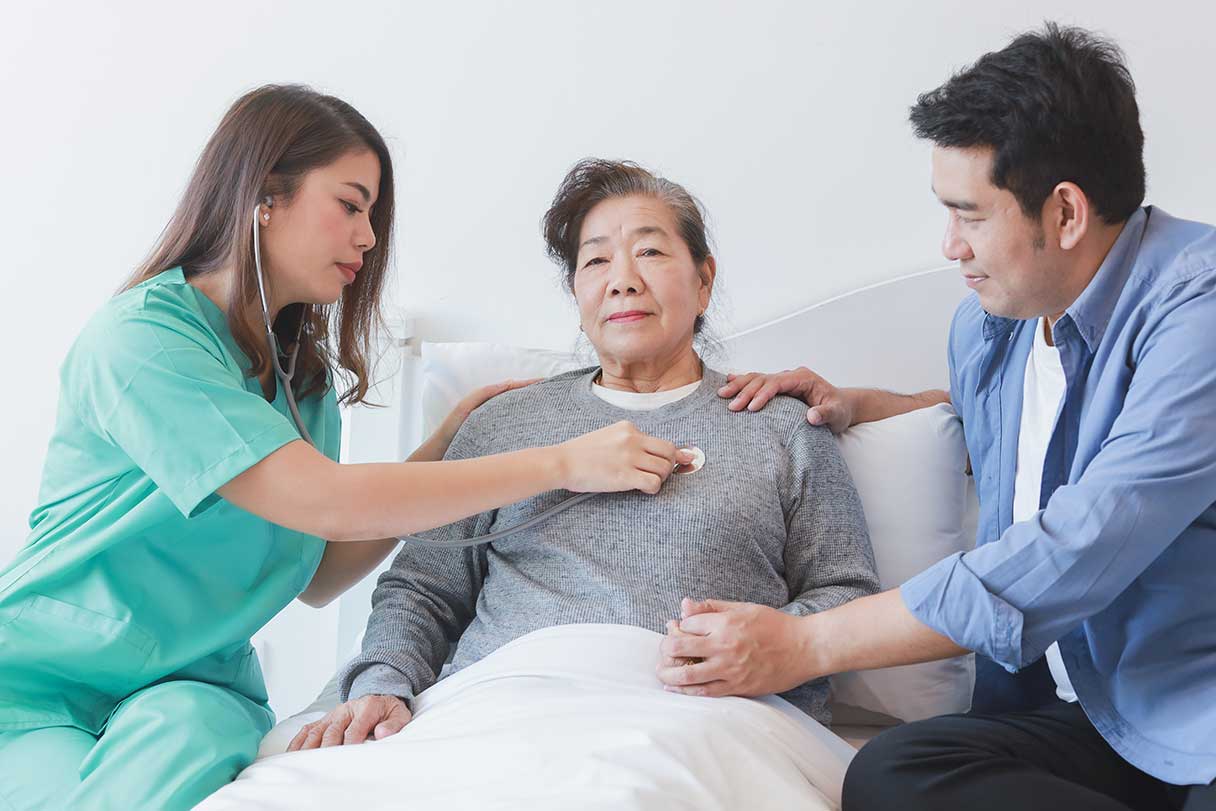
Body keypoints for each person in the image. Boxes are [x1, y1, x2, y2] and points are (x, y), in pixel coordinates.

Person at [0, 88, 689, 811]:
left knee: (191, 733)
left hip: (191, 688)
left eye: (373, 216)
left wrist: (444, 446)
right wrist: (561, 463)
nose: (368, 237)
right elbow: (323, 498)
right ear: (266, 195)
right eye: (352, 205)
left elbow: (320, 569)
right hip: (43, 678)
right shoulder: (143, 342)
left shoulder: (301, 373)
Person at [656, 24, 1216, 810]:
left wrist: (806, 643)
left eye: (970, 214)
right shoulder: (996, 322)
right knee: (888, 774)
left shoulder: (1199, 309)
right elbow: (1025, 435)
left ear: (1065, 213)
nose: (949, 245)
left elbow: (1087, 535)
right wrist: (870, 405)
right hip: (1078, 721)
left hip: (1194, 723)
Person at [286, 158, 880, 750]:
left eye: (649, 252)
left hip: (698, 721)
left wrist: (767, 642)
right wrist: (384, 681)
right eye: (596, 260)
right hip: (497, 711)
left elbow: (846, 592)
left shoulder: (780, 424)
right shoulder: (504, 424)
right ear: (576, 290)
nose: (621, 279)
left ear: (704, 280)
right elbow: (422, 588)